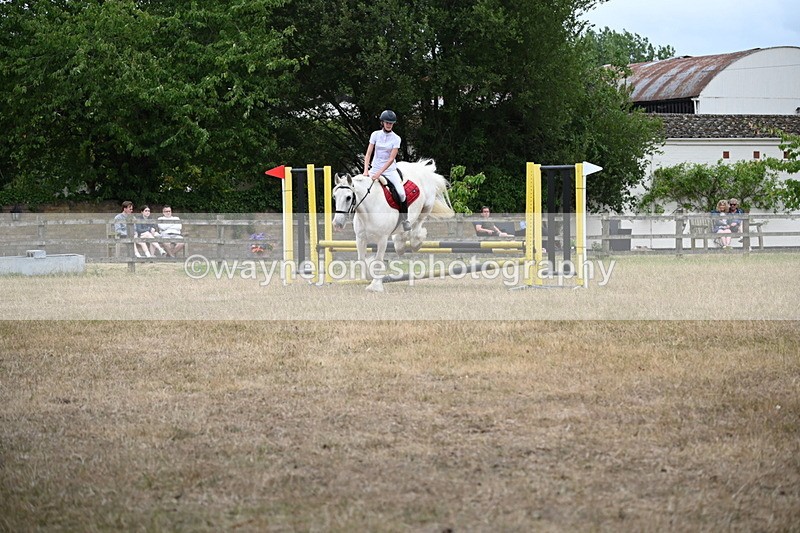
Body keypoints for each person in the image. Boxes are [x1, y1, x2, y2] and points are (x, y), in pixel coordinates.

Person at [363, 109, 410, 231]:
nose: (389, 125)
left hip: (390, 170)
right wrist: (366, 171)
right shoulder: (375, 135)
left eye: (391, 123)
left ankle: (405, 219)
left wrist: (379, 173)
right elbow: (368, 154)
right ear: (382, 122)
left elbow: (391, 159)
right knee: (361, 189)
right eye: (387, 122)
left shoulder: (396, 138)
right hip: (374, 168)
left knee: (401, 193)